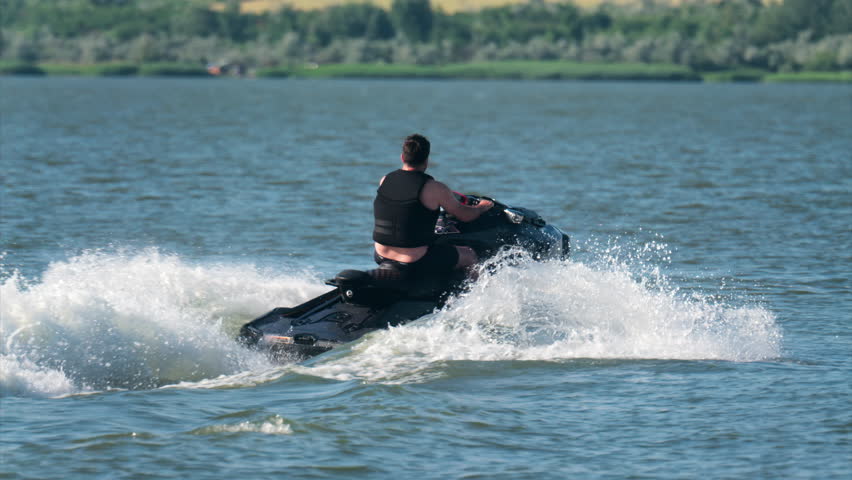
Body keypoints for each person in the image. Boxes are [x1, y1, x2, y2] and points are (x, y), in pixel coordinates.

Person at [373, 134, 493, 275]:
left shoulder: (385, 180)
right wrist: (483, 206)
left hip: (381, 254)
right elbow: (465, 215)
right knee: (469, 255)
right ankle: (470, 296)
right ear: (426, 160)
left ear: (402, 157)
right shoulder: (433, 188)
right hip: (414, 258)